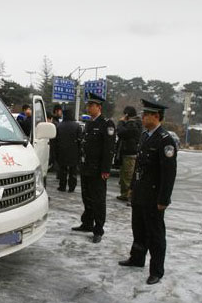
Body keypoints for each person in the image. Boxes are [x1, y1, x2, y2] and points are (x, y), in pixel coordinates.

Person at [118, 99, 177, 284]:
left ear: (156, 116)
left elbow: (169, 174)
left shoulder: (165, 140)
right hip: (140, 193)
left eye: (146, 115)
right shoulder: (145, 135)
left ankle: (157, 270)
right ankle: (137, 258)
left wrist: (164, 199)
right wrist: (132, 189)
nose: (142, 118)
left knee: (156, 235)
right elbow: (138, 166)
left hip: (154, 196)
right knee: (139, 229)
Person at [71, 93, 115, 243]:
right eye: (88, 105)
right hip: (86, 167)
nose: (88, 108)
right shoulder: (89, 123)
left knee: (98, 200)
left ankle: (98, 229)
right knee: (86, 197)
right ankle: (87, 223)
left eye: (91, 105)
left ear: (99, 107)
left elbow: (109, 149)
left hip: (97, 170)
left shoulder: (106, 124)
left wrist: (106, 169)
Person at [115, 106, 142, 202]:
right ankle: (124, 193)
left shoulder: (133, 123)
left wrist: (121, 122)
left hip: (130, 153)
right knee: (124, 175)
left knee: (128, 175)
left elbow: (121, 132)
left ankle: (128, 195)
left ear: (127, 114)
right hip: (127, 152)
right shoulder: (134, 123)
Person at [54, 108, 81, 193]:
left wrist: (56, 153)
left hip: (62, 151)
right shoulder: (77, 126)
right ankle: (71, 187)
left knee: (62, 170)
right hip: (74, 152)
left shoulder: (59, 125)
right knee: (73, 170)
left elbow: (55, 140)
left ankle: (62, 186)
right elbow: (80, 140)